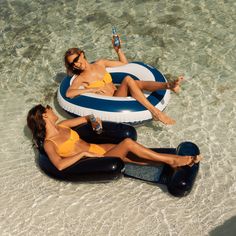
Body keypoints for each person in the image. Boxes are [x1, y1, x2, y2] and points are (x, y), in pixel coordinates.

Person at [27, 104, 202, 171]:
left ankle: (170, 162)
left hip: (99, 148)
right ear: (44, 116)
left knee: (130, 156)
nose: (51, 109)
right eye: (48, 109)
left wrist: (95, 121)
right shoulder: (50, 144)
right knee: (127, 143)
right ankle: (173, 161)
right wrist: (83, 155)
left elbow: (88, 117)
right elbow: (59, 165)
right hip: (96, 158)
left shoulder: (63, 125)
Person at [64, 37, 184, 125]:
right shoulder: (80, 78)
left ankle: (169, 85)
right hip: (113, 102)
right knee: (127, 80)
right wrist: (92, 89)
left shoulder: (100, 63)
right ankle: (156, 112)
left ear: (82, 54)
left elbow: (124, 63)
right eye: (72, 63)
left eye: (76, 59)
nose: (76, 64)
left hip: (119, 93)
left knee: (136, 83)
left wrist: (118, 50)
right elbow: (69, 93)